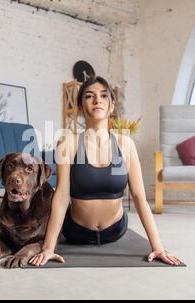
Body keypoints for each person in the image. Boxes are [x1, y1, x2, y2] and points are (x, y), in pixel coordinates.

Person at [29, 76, 181, 266]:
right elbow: (61, 195)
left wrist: (157, 247)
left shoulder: (126, 144)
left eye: (103, 95)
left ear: (111, 105)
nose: (97, 100)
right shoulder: (68, 142)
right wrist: (49, 248)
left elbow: (139, 196)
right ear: (81, 106)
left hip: (115, 230)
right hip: (76, 231)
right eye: (89, 96)